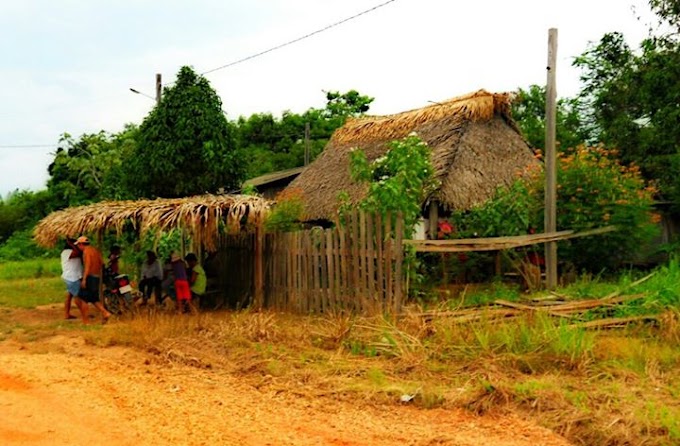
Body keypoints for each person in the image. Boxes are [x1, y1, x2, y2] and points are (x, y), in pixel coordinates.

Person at [74, 236, 112, 324]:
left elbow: (88, 265)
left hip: (90, 277)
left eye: (78, 245)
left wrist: (84, 279)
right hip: (96, 277)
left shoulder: (86, 252)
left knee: (81, 298)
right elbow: (101, 263)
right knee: (94, 298)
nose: (78, 248)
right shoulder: (95, 250)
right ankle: (105, 312)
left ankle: (86, 321)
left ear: (81, 244)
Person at [60, 237, 82, 320]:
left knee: (69, 296)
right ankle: (84, 312)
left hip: (74, 276)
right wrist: (72, 245)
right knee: (78, 296)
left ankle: (67, 314)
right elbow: (77, 253)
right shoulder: (66, 252)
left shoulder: (70, 251)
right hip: (72, 277)